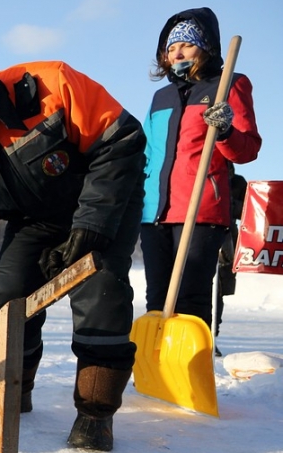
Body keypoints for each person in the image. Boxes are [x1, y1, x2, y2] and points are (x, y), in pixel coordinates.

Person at [0, 50, 147, 452]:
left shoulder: (51, 84)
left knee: (100, 295)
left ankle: (95, 413)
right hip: (34, 220)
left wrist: (91, 226)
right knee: (6, 302)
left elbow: (121, 140)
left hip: (105, 200)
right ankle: (15, 390)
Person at [141, 8, 261, 342]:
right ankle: (159, 371)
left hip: (202, 209)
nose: (176, 52)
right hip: (154, 212)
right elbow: (149, 154)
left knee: (191, 299)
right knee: (157, 298)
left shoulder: (229, 85)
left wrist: (224, 132)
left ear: (205, 47)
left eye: (186, 44)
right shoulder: (160, 97)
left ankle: (191, 373)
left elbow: (248, 149)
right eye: (170, 46)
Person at [214, 170, 247, 355]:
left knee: (218, 293)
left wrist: (228, 203)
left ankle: (212, 336)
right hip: (197, 236)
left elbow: (248, 210)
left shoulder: (236, 183)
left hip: (226, 242)